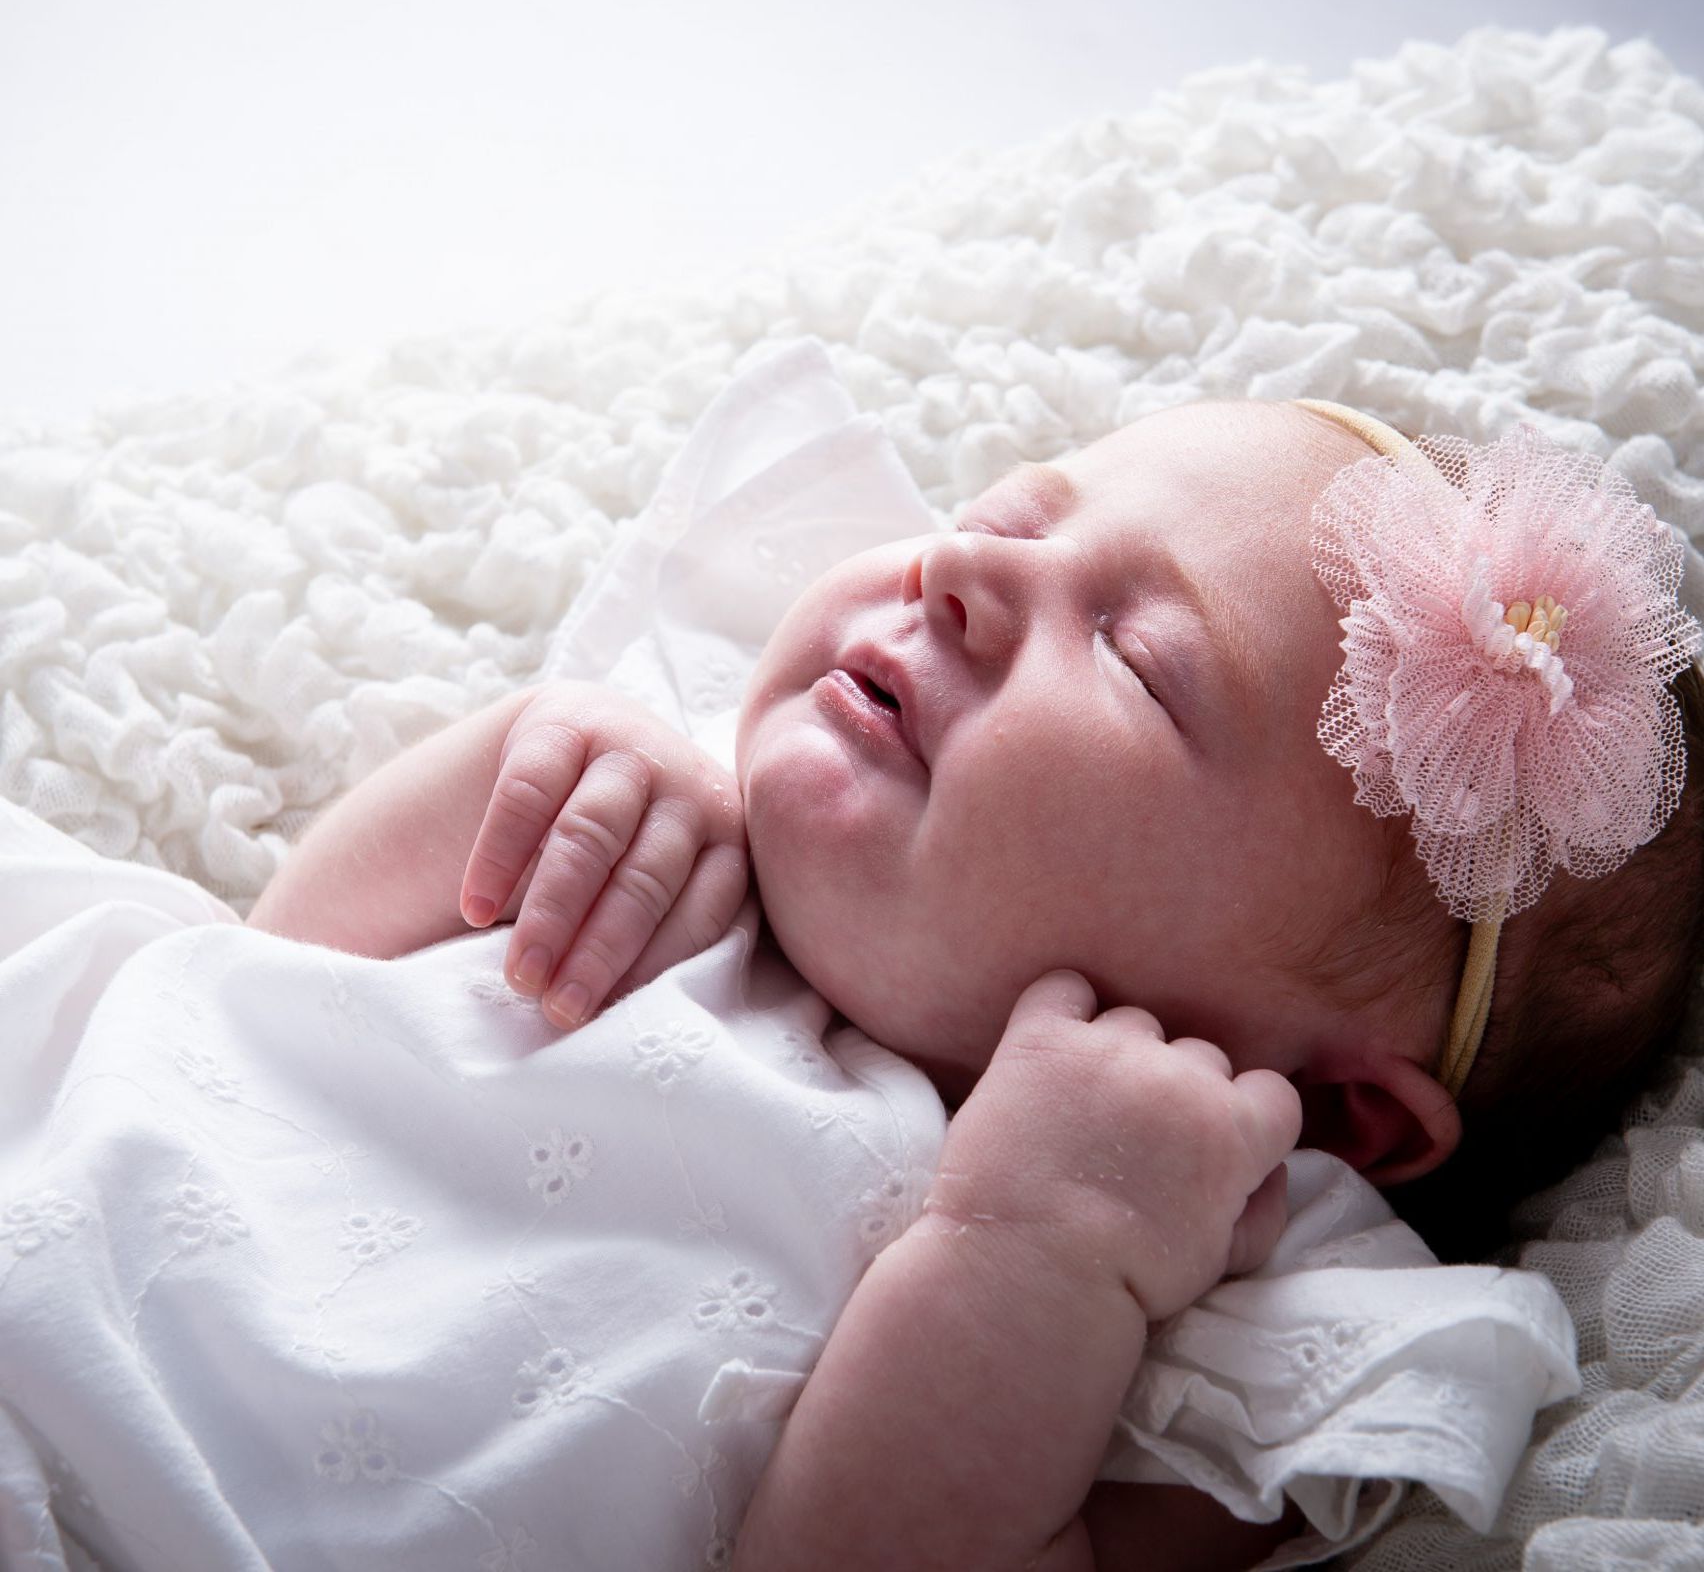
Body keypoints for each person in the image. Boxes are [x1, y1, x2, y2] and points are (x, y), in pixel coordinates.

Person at [239, 391, 1701, 1568]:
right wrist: (521, 766)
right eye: (1010, 512)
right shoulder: (675, 837)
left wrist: (1036, 1259)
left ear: (1325, 1114)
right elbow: (256, 993)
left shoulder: (1206, 1300)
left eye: (1136, 658)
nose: (966, 570)